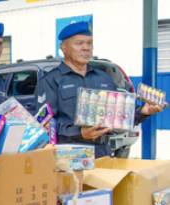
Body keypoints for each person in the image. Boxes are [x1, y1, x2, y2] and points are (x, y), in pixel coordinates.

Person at [36, 21, 164, 157]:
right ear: (63, 48)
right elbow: (45, 125)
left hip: (102, 152)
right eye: (79, 43)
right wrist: (80, 133)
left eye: (89, 43)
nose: (86, 48)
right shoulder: (50, 81)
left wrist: (144, 111)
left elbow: (118, 116)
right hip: (68, 155)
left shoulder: (104, 79)